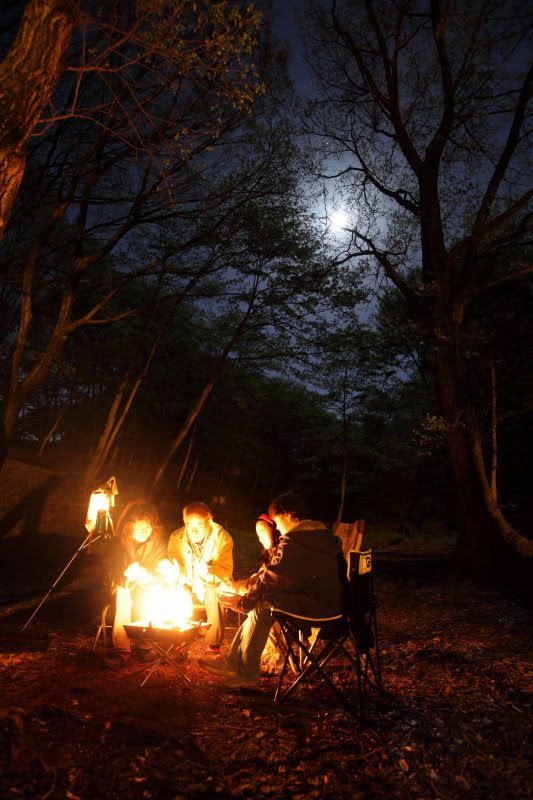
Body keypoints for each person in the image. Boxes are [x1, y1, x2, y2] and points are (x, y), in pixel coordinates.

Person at [198, 490, 344, 688]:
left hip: (322, 608)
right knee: (262, 603)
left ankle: (246, 674)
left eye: (275, 519)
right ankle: (233, 662)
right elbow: (283, 578)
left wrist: (244, 602)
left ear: (287, 514)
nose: (276, 525)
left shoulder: (298, 540)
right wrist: (248, 598)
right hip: (327, 601)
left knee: (263, 606)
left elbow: (272, 578)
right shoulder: (317, 535)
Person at [164, 501, 233, 654]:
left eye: (199, 525)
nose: (193, 531)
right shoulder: (176, 538)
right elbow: (177, 568)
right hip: (188, 585)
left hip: (211, 585)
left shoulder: (222, 538)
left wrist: (207, 573)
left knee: (214, 592)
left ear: (209, 520)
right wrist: (175, 576)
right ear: (183, 521)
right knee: (174, 590)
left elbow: (225, 571)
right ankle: (178, 641)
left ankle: (213, 646)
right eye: (189, 524)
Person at [103, 501, 166, 666]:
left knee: (153, 590)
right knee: (124, 593)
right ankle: (121, 650)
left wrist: (149, 576)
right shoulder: (117, 544)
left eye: (148, 528)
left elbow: (160, 568)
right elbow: (112, 569)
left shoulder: (157, 543)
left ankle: (144, 644)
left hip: (144, 586)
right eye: (139, 528)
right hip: (120, 587)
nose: (144, 532)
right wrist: (126, 575)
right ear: (129, 527)